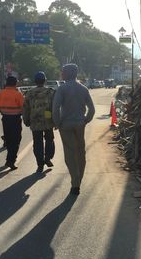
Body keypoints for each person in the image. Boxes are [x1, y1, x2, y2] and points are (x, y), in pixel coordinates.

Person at [52, 64, 95, 195]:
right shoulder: (83, 88)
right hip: (79, 124)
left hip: (66, 125)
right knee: (80, 152)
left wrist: (57, 123)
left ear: (66, 74)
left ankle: (74, 183)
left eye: (62, 72)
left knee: (70, 154)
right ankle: (79, 181)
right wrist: (85, 120)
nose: (61, 74)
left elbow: (55, 109)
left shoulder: (62, 89)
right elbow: (92, 110)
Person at [23, 71, 56, 174]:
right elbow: (55, 107)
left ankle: (40, 164)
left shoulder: (29, 93)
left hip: (35, 121)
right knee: (49, 140)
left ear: (35, 81)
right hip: (48, 120)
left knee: (37, 143)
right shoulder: (51, 92)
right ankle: (48, 158)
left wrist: (26, 120)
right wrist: (56, 121)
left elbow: (25, 109)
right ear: (45, 80)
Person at [0, 76, 24, 170]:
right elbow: (23, 107)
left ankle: (9, 160)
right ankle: (10, 161)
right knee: (16, 140)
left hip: (5, 119)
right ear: (15, 84)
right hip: (15, 119)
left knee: (9, 140)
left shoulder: (1, 93)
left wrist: (4, 112)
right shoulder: (18, 94)